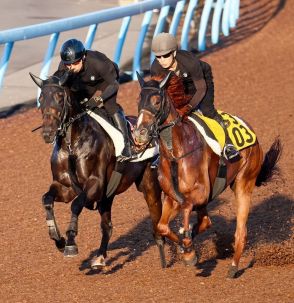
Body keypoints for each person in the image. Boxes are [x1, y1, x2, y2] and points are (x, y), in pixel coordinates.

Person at [150, 32, 240, 162]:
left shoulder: (190, 62)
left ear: (174, 53)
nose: (162, 60)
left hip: (200, 83)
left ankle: (228, 144)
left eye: (166, 55)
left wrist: (188, 107)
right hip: (178, 84)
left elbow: (201, 89)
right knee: (165, 115)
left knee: (207, 111)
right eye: (158, 57)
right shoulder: (156, 68)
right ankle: (162, 153)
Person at [54, 38, 134, 161]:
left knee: (110, 106)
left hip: (105, 82)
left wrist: (98, 100)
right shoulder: (65, 67)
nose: (71, 67)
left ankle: (127, 144)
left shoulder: (98, 62)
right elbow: (57, 85)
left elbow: (114, 85)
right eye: (68, 64)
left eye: (75, 63)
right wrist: (64, 78)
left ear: (83, 57)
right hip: (84, 85)